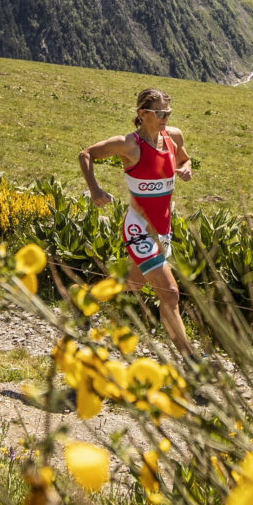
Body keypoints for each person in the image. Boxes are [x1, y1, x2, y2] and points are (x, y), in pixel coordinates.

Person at [79, 86, 194, 350]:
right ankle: (191, 361)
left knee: (132, 282)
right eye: (159, 113)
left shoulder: (173, 137)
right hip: (138, 229)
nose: (165, 117)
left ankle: (86, 299)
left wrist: (186, 169)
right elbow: (86, 154)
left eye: (168, 112)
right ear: (142, 113)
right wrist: (95, 190)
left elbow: (186, 159)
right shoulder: (128, 144)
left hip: (162, 230)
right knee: (170, 294)